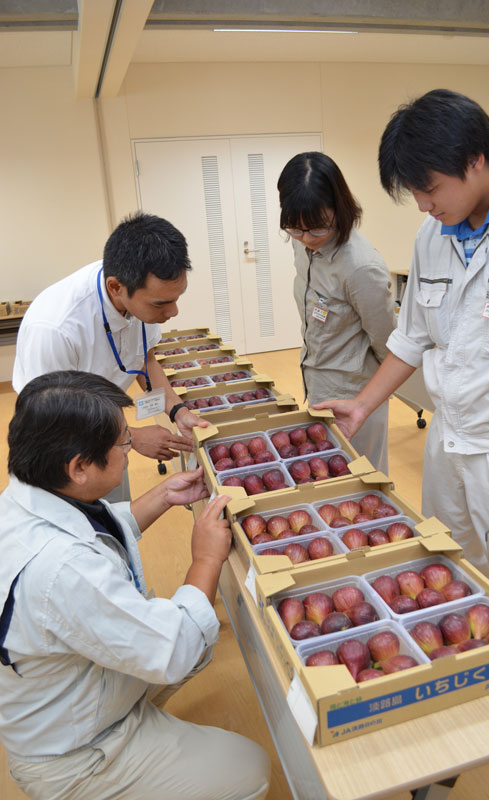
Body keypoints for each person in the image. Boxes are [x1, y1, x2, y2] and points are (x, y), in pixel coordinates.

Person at [0, 371, 271, 800]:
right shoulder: (64, 571)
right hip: (74, 754)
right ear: (79, 467)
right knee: (250, 769)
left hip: (67, 691)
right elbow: (173, 644)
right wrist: (206, 559)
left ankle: (136, 725)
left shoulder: (26, 499)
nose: (130, 452)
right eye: (123, 443)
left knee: (194, 641)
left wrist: (164, 496)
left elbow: (97, 532)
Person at [314, 89, 489, 583]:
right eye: (413, 192)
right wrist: (363, 405)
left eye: (429, 188)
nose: (422, 205)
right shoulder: (432, 236)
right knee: (449, 574)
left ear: (475, 161)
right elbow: (411, 338)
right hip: (446, 442)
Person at [13, 212, 209, 498]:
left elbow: (146, 359)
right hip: (59, 447)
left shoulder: (134, 290)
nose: (172, 312)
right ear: (115, 287)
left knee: (115, 519)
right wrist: (132, 437)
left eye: (177, 298)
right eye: (161, 304)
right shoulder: (55, 328)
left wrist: (178, 411)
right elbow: (50, 418)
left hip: (106, 429)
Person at [277, 152, 395, 473]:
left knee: (363, 482)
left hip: (357, 398)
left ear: (338, 209)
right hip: (317, 384)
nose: (306, 239)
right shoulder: (302, 243)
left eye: (316, 229)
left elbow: (388, 345)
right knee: (327, 480)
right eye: (295, 229)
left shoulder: (361, 267)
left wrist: (369, 401)